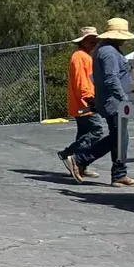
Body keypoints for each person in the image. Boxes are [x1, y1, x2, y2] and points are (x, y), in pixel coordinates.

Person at [65, 17, 134, 187]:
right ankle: (79, 158)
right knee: (117, 137)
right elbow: (111, 78)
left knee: (118, 137)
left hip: (110, 101)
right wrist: (124, 99)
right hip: (113, 102)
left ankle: (117, 172)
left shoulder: (104, 50)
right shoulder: (109, 52)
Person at [57, 27, 102, 181]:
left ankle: (81, 166)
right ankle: (70, 153)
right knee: (97, 132)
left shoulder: (84, 56)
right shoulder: (80, 57)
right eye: (90, 40)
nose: (94, 43)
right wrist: (90, 99)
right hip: (84, 104)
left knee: (83, 133)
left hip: (80, 104)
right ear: (82, 41)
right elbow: (82, 82)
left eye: (95, 40)